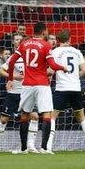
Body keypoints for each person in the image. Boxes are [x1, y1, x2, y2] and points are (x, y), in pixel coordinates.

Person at [6, 22, 66, 154]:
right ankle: (44, 148)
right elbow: (52, 64)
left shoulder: (24, 44)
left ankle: (23, 148)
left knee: (25, 115)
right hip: (42, 84)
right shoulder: (46, 45)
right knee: (46, 114)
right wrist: (63, 68)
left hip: (27, 84)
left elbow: (11, 62)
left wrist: (10, 78)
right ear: (44, 31)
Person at [0, 34, 40, 154]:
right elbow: (0, 71)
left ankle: (29, 145)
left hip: (28, 92)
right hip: (13, 93)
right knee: (4, 119)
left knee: (33, 116)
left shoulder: (35, 59)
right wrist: (12, 77)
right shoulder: (15, 57)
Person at [49, 30, 85, 153]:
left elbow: (50, 71)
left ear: (58, 40)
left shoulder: (54, 52)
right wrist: (75, 76)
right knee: (81, 117)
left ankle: (48, 146)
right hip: (76, 88)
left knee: (52, 117)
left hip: (62, 88)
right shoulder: (77, 52)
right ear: (69, 39)